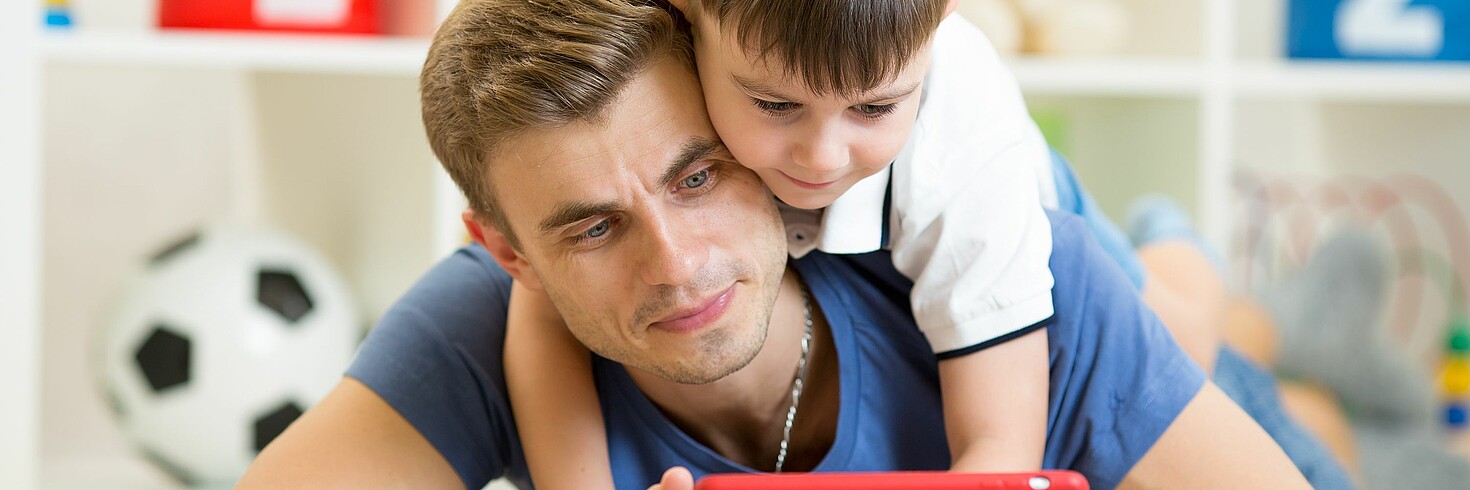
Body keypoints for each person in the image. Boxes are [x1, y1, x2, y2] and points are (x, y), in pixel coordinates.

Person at [236, 0, 1311, 488]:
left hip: (1091, 264)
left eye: (696, 175)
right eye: (594, 228)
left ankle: (1203, 269)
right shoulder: (490, 310)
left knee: (1205, 328)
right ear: (509, 251)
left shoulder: (982, 225)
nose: (676, 261)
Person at [504, 1, 1053, 487]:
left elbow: (1001, 448)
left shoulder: (966, 154)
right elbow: (544, 304)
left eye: (875, 108)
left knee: (1124, 280)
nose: (823, 158)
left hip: (1038, 191)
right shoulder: (642, 35)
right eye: (774, 104)